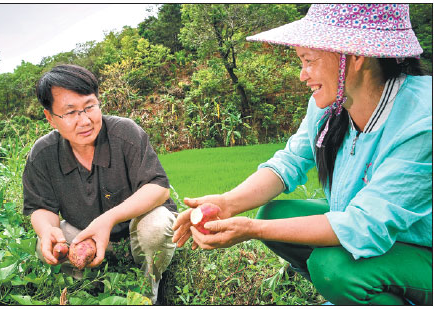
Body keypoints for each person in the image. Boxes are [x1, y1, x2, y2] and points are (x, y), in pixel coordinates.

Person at [172, 4, 432, 305]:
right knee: (274, 215)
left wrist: (252, 230)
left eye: (309, 61)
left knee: (333, 268)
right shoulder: (330, 106)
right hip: (378, 237)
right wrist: (229, 203)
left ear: (357, 55)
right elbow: (289, 162)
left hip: (422, 250)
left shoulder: (422, 120)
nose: (302, 75)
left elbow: (365, 224)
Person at [23, 64, 176, 304]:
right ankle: (87, 291)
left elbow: (158, 188)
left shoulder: (125, 133)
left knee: (156, 226)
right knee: (50, 243)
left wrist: (107, 220)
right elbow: (40, 207)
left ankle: (150, 290)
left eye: (89, 107)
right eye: (70, 112)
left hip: (135, 231)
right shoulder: (43, 154)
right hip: (88, 236)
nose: (84, 120)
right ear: (51, 118)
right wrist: (46, 230)